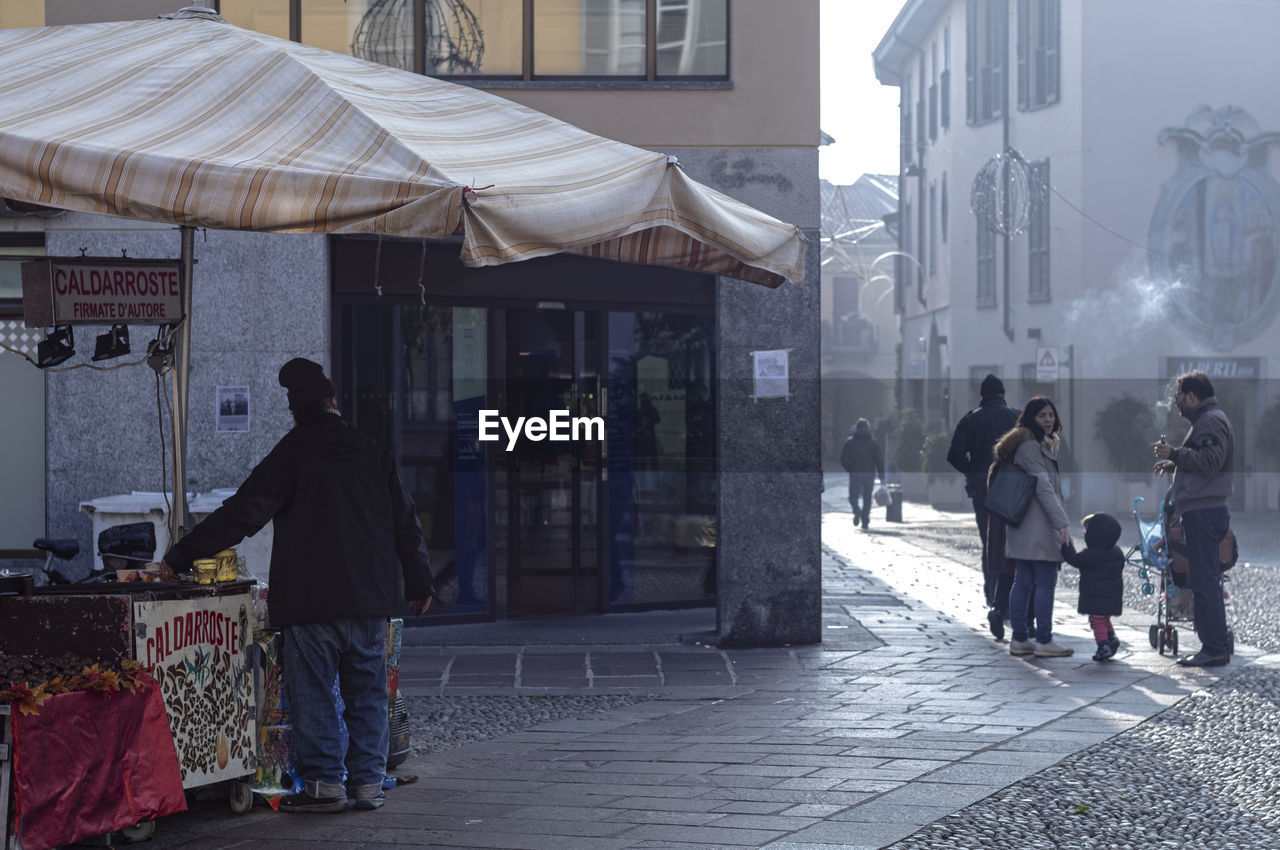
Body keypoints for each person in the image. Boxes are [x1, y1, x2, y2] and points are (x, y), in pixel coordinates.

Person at [162, 358, 434, 812]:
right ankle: (367, 783)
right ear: (333, 402)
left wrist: (180, 555)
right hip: (368, 598)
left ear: (295, 410)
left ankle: (325, 785)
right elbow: (406, 521)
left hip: (311, 600)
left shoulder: (291, 453)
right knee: (366, 693)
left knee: (312, 696)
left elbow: (241, 514)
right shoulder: (370, 450)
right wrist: (420, 579)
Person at [1153, 370, 1234, 667]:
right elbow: (1201, 461)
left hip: (1203, 513)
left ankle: (1213, 648)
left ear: (1191, 396)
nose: (1176, 404)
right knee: (1206, 581)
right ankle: (1215, 646)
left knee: (1205, 582)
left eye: (1178, 397)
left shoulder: (1210, 421)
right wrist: (1175, 465)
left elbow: (1211, 462)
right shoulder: (1206, 420)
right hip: (1202, 511)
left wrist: (1175, 454)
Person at [992, 396, 1073, 658]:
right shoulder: (1029, 447)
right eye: (1042, 416)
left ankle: (1020, 639)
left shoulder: (1039, 444)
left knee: (1024, 580)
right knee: (1044, 580)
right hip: (1037, 525)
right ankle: (1043, 639)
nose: (1048, 420)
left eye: (1051, 414)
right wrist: (1062, 522)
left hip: (1026, 524)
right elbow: (1044, 487)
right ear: (1031, 418)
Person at [947, 374, 1018, 635]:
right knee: (1012, 540)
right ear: (1002, 394)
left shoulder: (970, 419)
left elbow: (954, 455)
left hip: (982, 489)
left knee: (989, 540)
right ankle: (1009, 599)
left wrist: (972, 472)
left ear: (982, 395)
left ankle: (992, 594)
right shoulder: (1016, 417)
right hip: (1013, 488)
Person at [1060, 512, 1125, 662]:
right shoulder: (1117, 551)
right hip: (1112, 596)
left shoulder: (1092, 554)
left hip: (1095, 596)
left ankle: (1103, 645)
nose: (1084, 533)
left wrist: (1066, 546)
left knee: (1097, 621)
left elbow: (1074, 559)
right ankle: (1111, 637)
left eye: (1086, 531)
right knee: (1105, 619)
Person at [840, 418, 885, 529]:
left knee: (853, 497)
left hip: (855, 473)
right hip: (869, 474)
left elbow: (843, 459)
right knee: (867, 498)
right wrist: (882, 476)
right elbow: (879, 460)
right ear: (867, 428)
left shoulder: (850, 442)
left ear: (857, 428)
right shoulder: (873, 443)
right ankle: (865, 521)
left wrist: (850, 469)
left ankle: (857, 511)